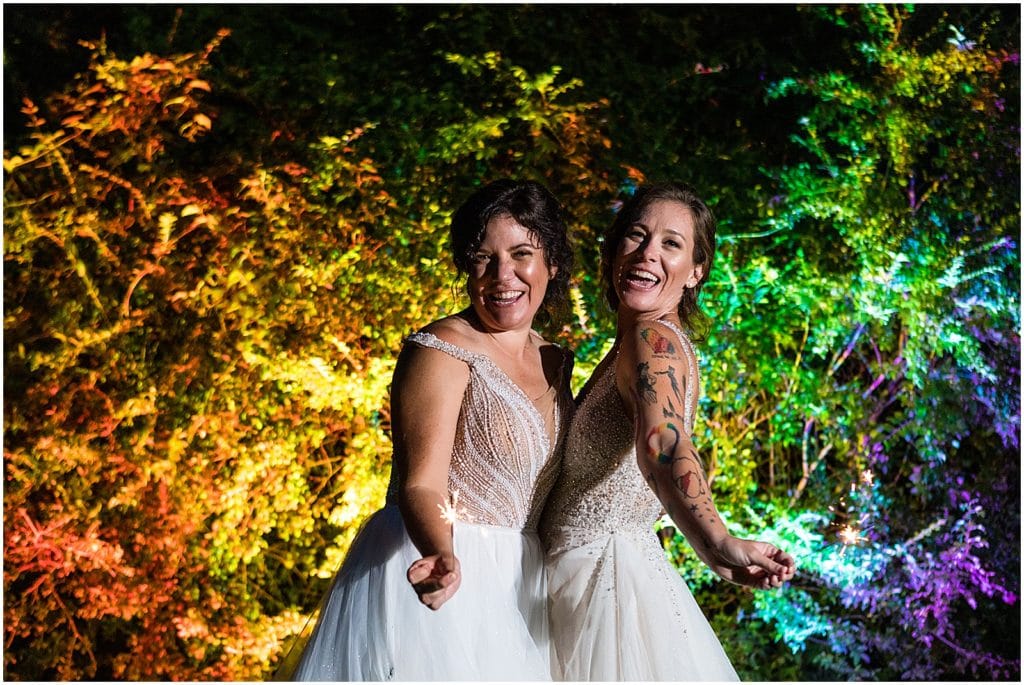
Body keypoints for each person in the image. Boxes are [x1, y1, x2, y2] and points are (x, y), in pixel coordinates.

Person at [286, 179, 576, 681]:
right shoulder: (441, 348)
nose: (502, 274)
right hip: (446, 566)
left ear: (551, 262)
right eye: (483, 257)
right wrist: (440, 553)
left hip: (522, 584)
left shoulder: (557, 361)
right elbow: (421, 482)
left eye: (521, 254)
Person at [539, 182, 797, 681]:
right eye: (636, 236)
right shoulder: (640, 341)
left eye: (671, 244)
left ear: (697, 270)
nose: (647, 254)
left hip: (600, 590)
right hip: (588, 579)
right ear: (614, 250)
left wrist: (720, 540)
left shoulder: (651, 338)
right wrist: (709, 552)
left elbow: (664, 445)